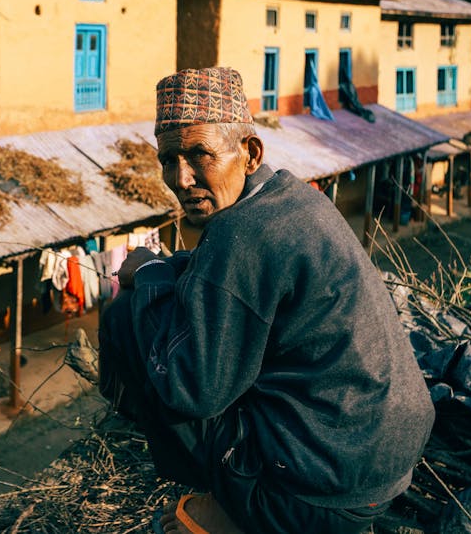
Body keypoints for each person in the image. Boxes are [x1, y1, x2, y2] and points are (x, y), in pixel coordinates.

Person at [98, 67, 435, 533]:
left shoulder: (240, 234)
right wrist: (169, 270)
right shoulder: (293, 197)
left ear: (250, 152)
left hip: (318, 494)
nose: (181, 177)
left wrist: (152, 276)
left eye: (200, 155)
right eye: (168, 159)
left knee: (123, 314)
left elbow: (194, 391)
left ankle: (231, 506)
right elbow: (212, 276)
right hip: (382, 463)